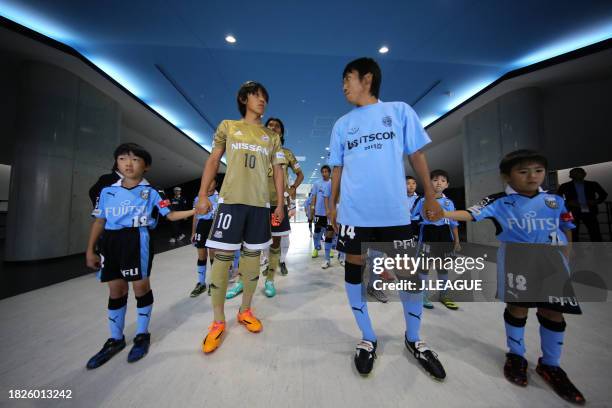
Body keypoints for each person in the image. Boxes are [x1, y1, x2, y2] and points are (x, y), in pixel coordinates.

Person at [329, 57, 445, 379]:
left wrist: (430, 194)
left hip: (394, 212)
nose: (343, 86)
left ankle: (414, 339)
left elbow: (416, 155)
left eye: (347, 79)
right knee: (355, 268)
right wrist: (332, 204)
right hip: (354, 214)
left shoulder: (399, 111)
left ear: (367, 79)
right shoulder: (342, 125)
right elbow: (338, 168)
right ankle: (367, 338)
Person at [442, 149, 585, 405]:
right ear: (506, 176)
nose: (532, 177)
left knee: (553, 312)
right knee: (518, 308)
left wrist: (569, 249)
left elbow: (566, 225)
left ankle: (551, 365)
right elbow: (470, 213)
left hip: (553, 263)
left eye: (538, 171)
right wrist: (442, 214)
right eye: (523, 171)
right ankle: (516, 355)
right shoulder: (498, 201)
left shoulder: (555, 199)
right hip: (517, 262)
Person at [195, 81, 286, 354]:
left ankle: (245, 310)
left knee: (250, 264)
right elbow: (213, 160)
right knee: (222, 263)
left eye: (265, 98)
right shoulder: (228, 127)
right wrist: (202, 194)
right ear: (244, 99)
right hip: (231, 202)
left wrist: (279, 203)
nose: (262, 101)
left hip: (259, 205)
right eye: (257, 96)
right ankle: (217, 321)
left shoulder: (272, 137)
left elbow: (279, 172)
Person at [85, 143, 194, 369]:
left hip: (137, 240)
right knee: (116, 290)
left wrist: (196, 211)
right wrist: (90, 249)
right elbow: (100, 220)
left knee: (140, 288)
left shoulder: (152, 192)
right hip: (110, 243)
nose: (128, 163)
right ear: (117, 162)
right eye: (123, 158)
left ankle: (142, 335)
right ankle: (115, 339)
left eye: (135, 159)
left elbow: (170, 214)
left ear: (146, 166)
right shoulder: (107, 191)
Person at [411, 170, 461, 310]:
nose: (439, 182)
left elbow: (453, 223)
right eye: (435, 180)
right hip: (427, 234)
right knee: (424, 267)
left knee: (443, 268)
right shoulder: (421, 200)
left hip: (444, 236)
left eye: (443, 180)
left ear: (447, 185)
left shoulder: (448, 202)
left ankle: (444, 295)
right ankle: (423, 295)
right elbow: (411, 217)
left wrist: (456, 241)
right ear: (429, 182)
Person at [266, 117, 304, 276]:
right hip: (259, 203)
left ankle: (279, 263)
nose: (273, 128)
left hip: (277, 204)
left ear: (281, 132)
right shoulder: (259, 150)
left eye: (277, 126)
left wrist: (292, 188)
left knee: (277, 237)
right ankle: (269, 264)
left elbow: (300, 175)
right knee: (261, 237)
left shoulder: (287, 154)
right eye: (270, 125)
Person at [557, 167, 607, 242]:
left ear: (584, 174)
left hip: (589, 211)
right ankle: (574, 251)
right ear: (570, 176)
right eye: (575, 173)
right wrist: (568, 202)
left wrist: (595, 201)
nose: (577, 174)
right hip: (570, 212)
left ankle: (598, 250)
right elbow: (558, 198)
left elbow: (603, 194)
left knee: (595, 233)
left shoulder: (593, 184)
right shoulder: (564, 186)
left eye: (579, 172)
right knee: (572, 234)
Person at [190, 178, 219, 297]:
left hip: (214, 226)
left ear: (216, 183)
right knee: (201, 256)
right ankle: (201, 283)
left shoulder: (220, 197)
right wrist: (193, 232)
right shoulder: (199, 198)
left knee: (213, 255)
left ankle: (214, 282)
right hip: (201, 226)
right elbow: (195, 216)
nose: (209, 184)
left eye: (212, 181)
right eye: (208, 181)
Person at [312, 165, 332, 266]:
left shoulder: (332, 183)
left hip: (329, 213)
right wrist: (312, 208)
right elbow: (314, 196)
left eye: (326, 172)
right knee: (316, 233)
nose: (324, 174)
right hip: (318, 212)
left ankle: (328, 253)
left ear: (329, 173)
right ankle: (316, 247)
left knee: (329, 233)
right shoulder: (317, 183)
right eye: (322, 172)